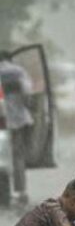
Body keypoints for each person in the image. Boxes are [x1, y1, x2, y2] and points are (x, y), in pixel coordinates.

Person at [0, 50, 34, 204]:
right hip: (20, 120)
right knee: (18, 156)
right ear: (10, 59)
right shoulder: (19, 71)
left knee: (3, 159)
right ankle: (21, 191)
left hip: (3, 122)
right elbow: (28, 92)